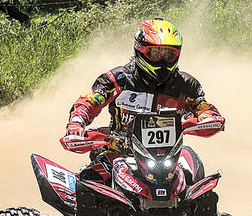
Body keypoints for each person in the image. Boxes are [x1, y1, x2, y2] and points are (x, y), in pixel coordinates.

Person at [65, 18, 225, 182]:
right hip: (120, 153)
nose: (162, 60)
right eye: (155, 53)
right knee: (89, 179)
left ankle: (205, 208)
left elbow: (205, 109)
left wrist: (207, 118)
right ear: (140, 50)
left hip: (168, 159)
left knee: (193, 167)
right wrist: (76, 124)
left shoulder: (185, 85)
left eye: (168, 54)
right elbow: (89, 102)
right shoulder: (118, 79)